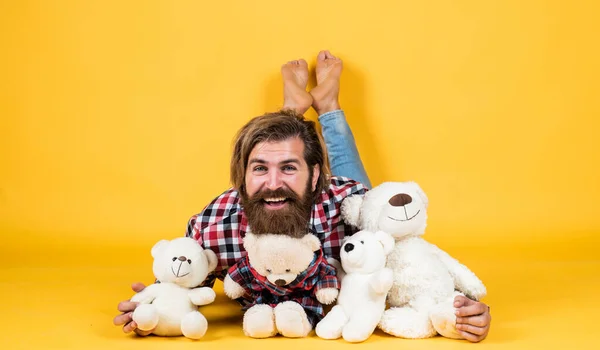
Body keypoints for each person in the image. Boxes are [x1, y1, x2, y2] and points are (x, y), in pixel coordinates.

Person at [113, 50, 491, 342]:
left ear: (316, 178)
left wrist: (460, 310)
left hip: (338, 195)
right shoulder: (215, 225)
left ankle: (325, 105)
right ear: (241, 178)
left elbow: (417, 266)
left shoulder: (346, 203)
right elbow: (178, 284)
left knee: (357, 181)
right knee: (282, 141)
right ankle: (297, 111)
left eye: (289, 168)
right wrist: (152, 311)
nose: (273, 183)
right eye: (259, 168)